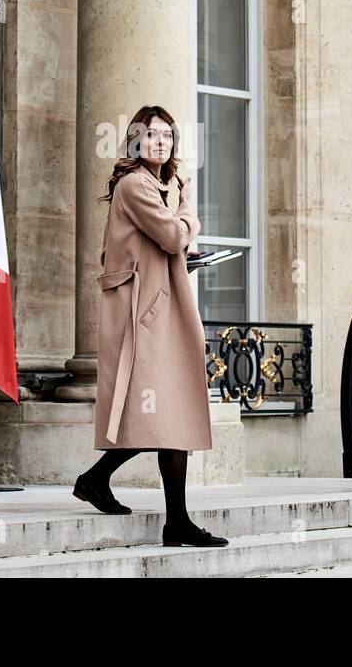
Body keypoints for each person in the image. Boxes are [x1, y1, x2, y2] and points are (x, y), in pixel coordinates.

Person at [71, 105, 228, 548]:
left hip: (158, 307)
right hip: (144, 315)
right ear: (136, 141)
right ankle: (166, 516)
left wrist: (182, 259)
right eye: (151, 135)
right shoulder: (137, 184)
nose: (160, 142)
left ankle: (103, 484)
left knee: (164, 412)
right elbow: (175, 236)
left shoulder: (157, 185)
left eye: (168, 136)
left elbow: (162, 247)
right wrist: (189, 207)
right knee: (162, 413)